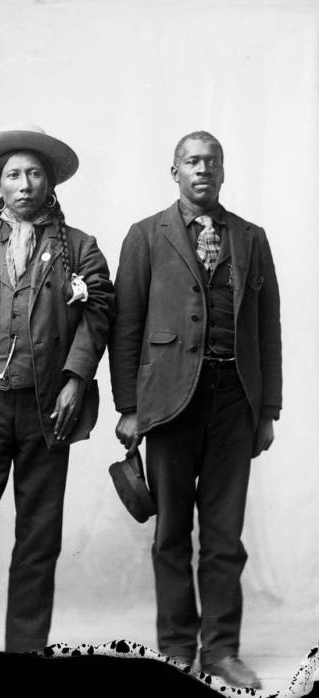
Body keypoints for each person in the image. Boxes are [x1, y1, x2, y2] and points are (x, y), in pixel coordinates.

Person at [0, 124, 114, 659]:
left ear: (50, 184)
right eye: (14, 174)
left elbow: (98, 314)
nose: (25, 183)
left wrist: (76, 379)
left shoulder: (80, 248)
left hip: (45, 412)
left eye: (35, 173)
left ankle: (24, 657)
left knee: (37, 544)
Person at [109, 131, 281, 690]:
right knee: (171, 534)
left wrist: (268, 408)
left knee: (226, 538)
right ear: (175, 171)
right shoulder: (145, 236)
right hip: (167, 404)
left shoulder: (251, 239)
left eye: (212, 162)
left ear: (224, 172)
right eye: (192, 161)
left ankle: (222, 651)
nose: (202, 170)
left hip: (235, 400)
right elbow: (125, 327)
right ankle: (178, 650)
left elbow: (267, 329)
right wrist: (129, 408)